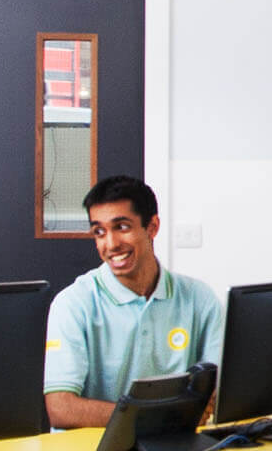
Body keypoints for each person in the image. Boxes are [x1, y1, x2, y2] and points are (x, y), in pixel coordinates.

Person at [44, 174, 226, 430]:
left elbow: (219, 389)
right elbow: (61, 408)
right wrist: (163, 415)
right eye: (99, 231)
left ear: (152, 227)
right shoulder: (72, 304)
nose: (111, 244)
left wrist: (203, 402)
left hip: (174, 450)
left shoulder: (200, 298)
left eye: (122, 227)